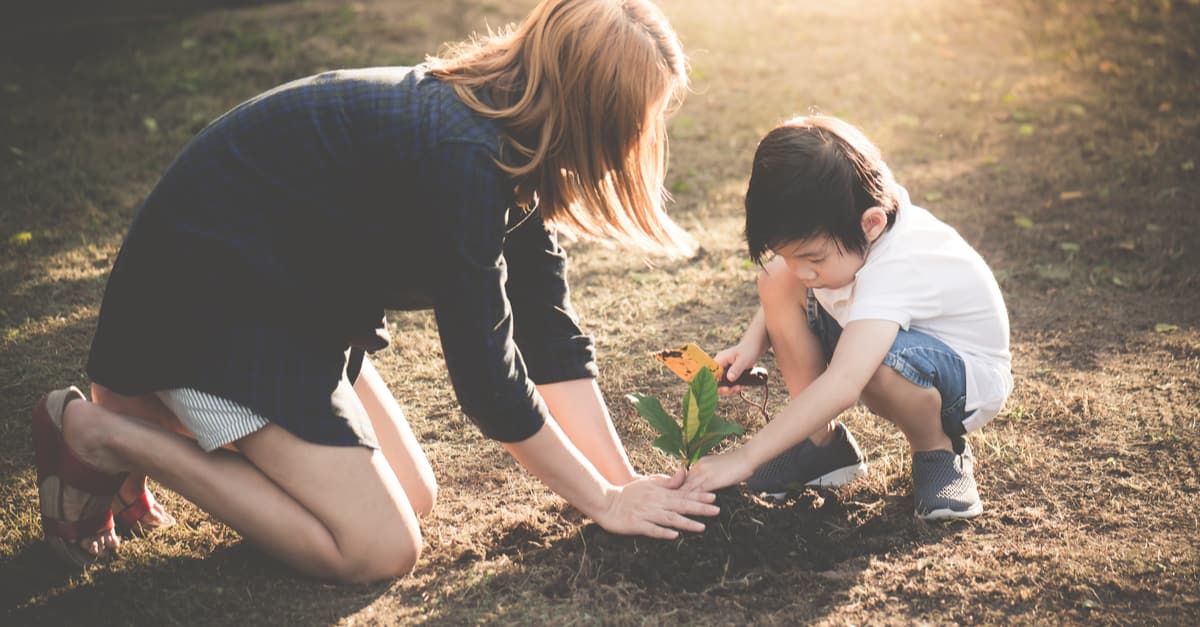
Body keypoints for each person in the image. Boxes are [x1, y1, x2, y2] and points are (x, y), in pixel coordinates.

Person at [30, 0, 720, 582]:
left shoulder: (511, 137)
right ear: (590, 112)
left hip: (292, 307)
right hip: (210, 308)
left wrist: (623, 489)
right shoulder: (464, 156)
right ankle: (109, 434)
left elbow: (548, 337)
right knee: (380, 547)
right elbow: (489, 383)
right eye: (636, 120)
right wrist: (599, 498)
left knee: (414, 496)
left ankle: (154, 422)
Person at [681, 115, 1012, 520]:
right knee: (775, 281)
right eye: (788, 253)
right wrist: (755, 340)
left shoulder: (898, 266)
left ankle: (938, 453)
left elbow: (844, 382)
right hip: (893, 344)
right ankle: (822, 445)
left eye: (812, 258)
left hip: (962, 381)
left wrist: (746, 457)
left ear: (870, 225)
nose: (801, 270)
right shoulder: (852, 234)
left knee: (880, 364)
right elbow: (793, 274)